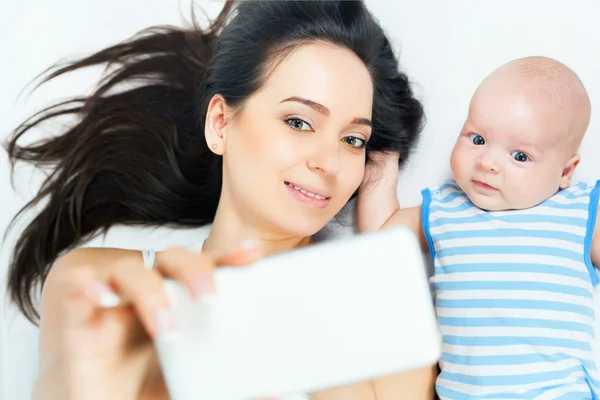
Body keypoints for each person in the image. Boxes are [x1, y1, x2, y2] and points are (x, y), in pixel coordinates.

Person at [4, 1, 436, 398]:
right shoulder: (102, 288)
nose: (330, 161)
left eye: (353, 139)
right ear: (220, 123)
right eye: (299, 121)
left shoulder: (389, 319)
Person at [358, 56, 599, 398]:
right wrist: (383, 152)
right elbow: (381, 239)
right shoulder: (446, 208)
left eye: (520, 157)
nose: (487, 162)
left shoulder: (577, 211)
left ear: (564, 172)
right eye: (477, 139)